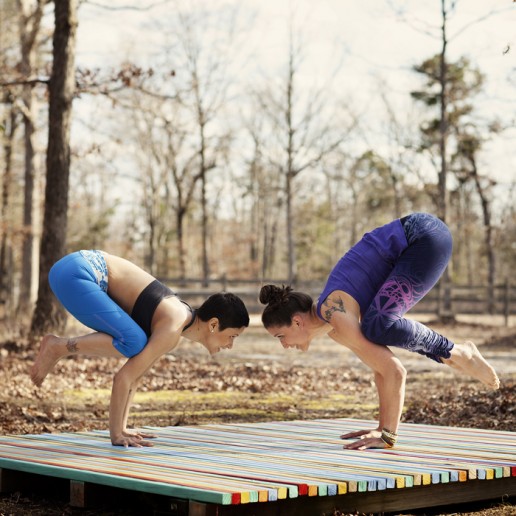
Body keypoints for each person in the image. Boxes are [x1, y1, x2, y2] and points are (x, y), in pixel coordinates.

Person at [259, 213, 500, 451]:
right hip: (418, 240)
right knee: (375, 327)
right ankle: (454, 353)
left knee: (377, 326)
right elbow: (380, 369)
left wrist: (388, 436)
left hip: (422, 236)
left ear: (297, 322)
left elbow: (396, 371)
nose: (283, 345)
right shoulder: (334, 324)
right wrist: (380, 427)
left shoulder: (335, 313)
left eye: (280, 336)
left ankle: (459, 352)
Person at [31, 250, 250, 447]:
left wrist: (124, 428)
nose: (230, 345)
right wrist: (116, 435)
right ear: (213, 324)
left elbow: (136, 377)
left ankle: (58, 347)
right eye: (232, 336)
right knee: (134, 342)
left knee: (136, 342)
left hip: (73, 268)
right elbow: (123, 378)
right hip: (76, 274)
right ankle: (57, 346)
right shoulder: (173, 326)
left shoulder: (178, 321)